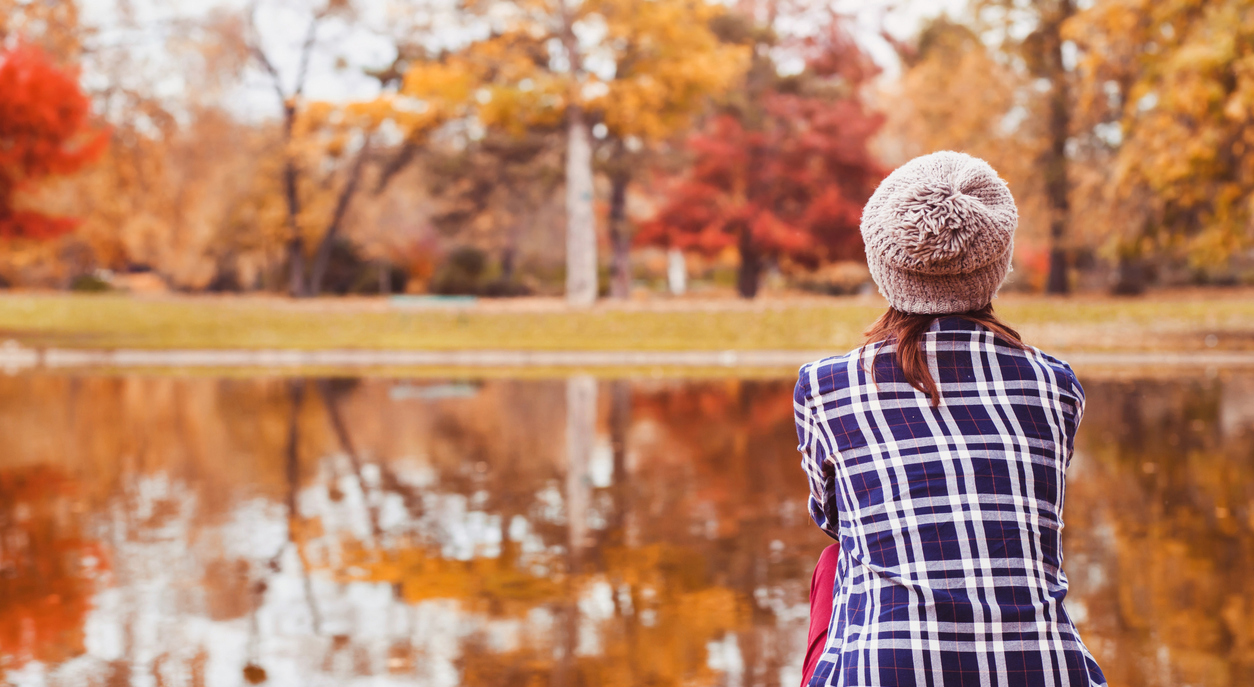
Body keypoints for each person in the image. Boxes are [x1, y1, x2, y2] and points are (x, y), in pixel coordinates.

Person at [794, 151, 1106, 687]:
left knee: (835, 564)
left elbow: (836, 521)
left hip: (886, 670)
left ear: (881, 263)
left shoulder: (827, 385)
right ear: (999, 261)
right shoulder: (1056, 384)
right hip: (1046, 670)